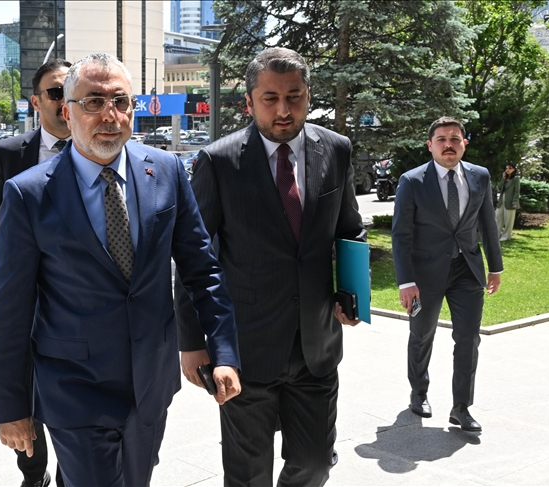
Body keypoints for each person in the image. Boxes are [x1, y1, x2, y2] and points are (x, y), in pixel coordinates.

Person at [0, 53, 242, 487]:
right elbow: (11, 309)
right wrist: (12, 407)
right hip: (74, 389)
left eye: (121, 101)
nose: (110, 115)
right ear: (67, 113)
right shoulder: (28, 194)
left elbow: (202, 268)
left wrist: (224, 352)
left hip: (150, 383)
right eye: (93, 102)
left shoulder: (166, 170)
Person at [175, 47, 365, 486]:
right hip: (245, 351)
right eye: (270, 98)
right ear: (249, 102)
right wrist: (193, 342)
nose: (283, 110)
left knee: (315, 464)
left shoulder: (336, 150)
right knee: (248, 476)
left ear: (308, 96)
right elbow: (192, 256)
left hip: (316, 348)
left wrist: (352, 294)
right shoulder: (218, 161)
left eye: (294, 97)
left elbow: (350, 229)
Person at [0, 58, 72, 487]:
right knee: (22, 380)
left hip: (73, 294)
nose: (64, 100)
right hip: (21, 291)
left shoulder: (102, 150)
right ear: (36, 102)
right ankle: (34, 472)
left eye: (72, 92)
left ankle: (74, 471)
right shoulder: (11, 153)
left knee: (70, 388)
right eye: (55, 92)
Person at [392, 117, 503, 432]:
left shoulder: (480, 176)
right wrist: (406, 282)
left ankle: (461, 408)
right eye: (441, 139)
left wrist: (495, 267)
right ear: (430, 145)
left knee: (468, 338)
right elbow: (401, 235)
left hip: (467, 270)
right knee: (422, 334)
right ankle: (419, 392)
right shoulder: (412, 181)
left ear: (464, 144)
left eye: (455, 139)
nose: (448, 145)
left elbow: (488, 224)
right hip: (424, 276)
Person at [496, 163, 520, 241]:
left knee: (508, 220)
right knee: (497, 217)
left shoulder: (516, 179)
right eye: (506, 168)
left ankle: (506, 236)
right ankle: (496, 235)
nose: (508, 170)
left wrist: (515, 202)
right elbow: (499, 187)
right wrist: (503, 179)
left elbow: (516, 191)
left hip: (510, 202)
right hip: (501, 201)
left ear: (514, 169)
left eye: (510, 168)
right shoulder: (505, 178)